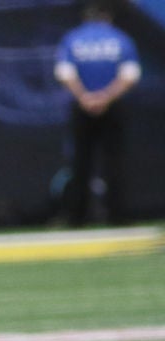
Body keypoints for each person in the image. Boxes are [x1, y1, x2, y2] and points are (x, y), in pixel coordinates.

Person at [54, 0, 141, 226]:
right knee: (114, 161)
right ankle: (116, 216)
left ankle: (76, 217)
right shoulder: (120, 39)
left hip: (82, 107)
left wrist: (85, 97)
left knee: (80, 161)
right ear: (107, 17)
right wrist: (106, 97)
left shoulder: (74, 39)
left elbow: (64, 73)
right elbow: (130, 75)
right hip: (112, 107)